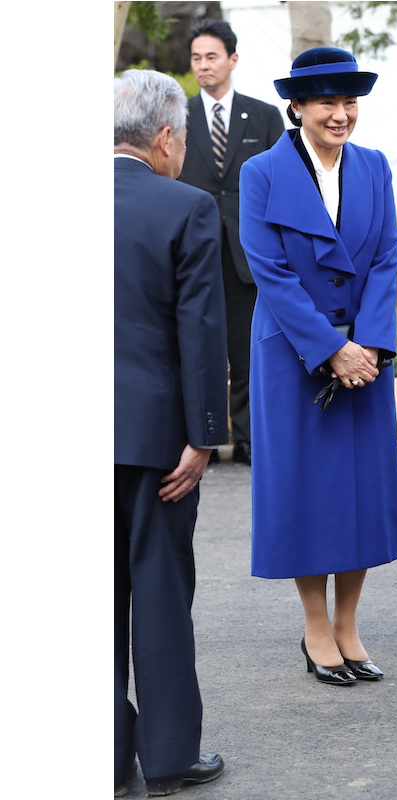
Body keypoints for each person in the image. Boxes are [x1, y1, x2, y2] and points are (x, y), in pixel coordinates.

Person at [238, 47, 397, 686]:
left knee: (360, 492)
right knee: (307, 492)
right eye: (326, 102)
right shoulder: (262, 173)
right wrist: (331, 349)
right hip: (294, 356)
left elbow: (388, 255)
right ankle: (315, 626)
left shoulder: (375, 167)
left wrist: (364, 344)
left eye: (349, 101)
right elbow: (270, 272)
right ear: (298, 107)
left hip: (363, 358)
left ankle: (349, 625)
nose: (341, 114)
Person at [114, 69, 229, 796]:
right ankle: (167, 755)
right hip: (157, 438)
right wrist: (204, 434)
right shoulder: (186, 206)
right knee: (158, 592)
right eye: (184, 138)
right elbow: (201, 328)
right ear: (164, 138)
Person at [178, 19, 285, 466]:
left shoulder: (263, 116)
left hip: (247, 252)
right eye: (196, 58)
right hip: (193, 249)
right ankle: (204, 435)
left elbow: (283, 183)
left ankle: (247, 438)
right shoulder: (176, 117)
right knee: (198, 345)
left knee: (245, 348)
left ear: (233, 60)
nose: (203, 66)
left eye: (211, 56)